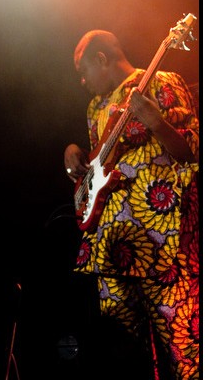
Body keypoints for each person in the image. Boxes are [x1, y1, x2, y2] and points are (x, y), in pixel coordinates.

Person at [63, 30, 199, 380]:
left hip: (162, 242)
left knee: (183, 346)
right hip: (112, 246)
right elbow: (96, 168)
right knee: (123, 354)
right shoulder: (95, 107)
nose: (82, 80)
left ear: (101, 59)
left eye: (83, 70)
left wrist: (155, 121)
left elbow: (191, 152)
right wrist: (72, 157)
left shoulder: (163, 81)